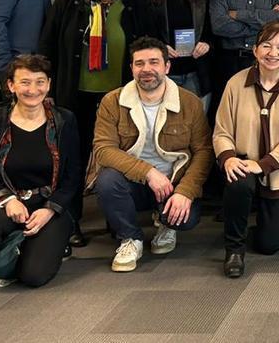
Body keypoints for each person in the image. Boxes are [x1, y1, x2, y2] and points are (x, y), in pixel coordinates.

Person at [39, 0, 162, 247]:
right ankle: (69, 223)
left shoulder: (135, 3)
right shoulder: (66, 3)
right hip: (74, 94)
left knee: (117, 158)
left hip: (121, 97)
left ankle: (116, 220)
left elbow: (149, 46)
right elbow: (47, 49)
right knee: (73, 158)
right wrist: (47, 89)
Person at [0, 54, 82, 288]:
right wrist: (8, 200)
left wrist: (50, 210)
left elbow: (73, 175)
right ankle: (17, 245)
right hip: (9, 203)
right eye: (25, 82)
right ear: (11, 85)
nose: (32, 89)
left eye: (40, 81)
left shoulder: (65, 120)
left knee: (33, 276)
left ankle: (35, 247)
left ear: (49, 84)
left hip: (49, 205)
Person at [90, 37, 212, 272]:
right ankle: (130, 239)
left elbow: (203, 152)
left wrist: (185, 192)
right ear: (132, 68)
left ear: (167, 67)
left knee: (185, 219)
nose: (146, 69)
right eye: (139, 63)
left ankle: (167, 225)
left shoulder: (190, 103)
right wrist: (148, 172)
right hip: (134, 182)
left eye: (154, 62)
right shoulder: (112, 101)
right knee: (107, 181)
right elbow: (103, 150)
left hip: (173, 183)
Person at [213, 22, 279, 278]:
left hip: (278, 170)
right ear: (255, 50)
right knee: (238, 184)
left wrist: (264, 164)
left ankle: (255, 223)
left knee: (269, 246)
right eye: (266, 46)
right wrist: (228, 159)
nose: (273, 53)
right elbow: (221, 130)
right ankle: (234, 248)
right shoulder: (236, 83)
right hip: (242, 163)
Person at [137, 0, 212, 103]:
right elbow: (141, 31)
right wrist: (159, 46)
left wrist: (207, 42)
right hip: (162, 72)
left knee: (197, 126)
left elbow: (211, 26)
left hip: (197, 72)